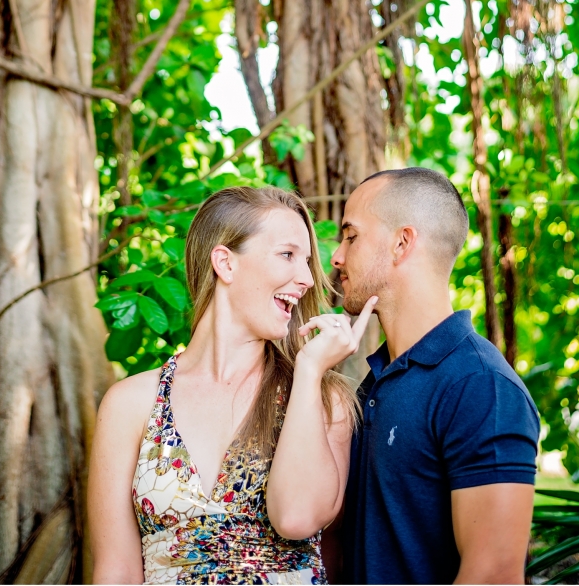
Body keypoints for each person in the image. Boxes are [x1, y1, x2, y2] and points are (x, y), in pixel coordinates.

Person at [87, 185, 378, 584]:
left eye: (308, 261)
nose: (308, 278)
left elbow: (298, 517)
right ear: (225, 263)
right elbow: (114, 572)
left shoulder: (324, 399)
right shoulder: (130, 404)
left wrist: (309, 371)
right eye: (288, 255)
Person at [333, 167, 540, 586]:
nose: (336, 256)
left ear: (401, 243)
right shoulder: (372, 382)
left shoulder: (481, 387)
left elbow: (494, 575)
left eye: (351, 236)